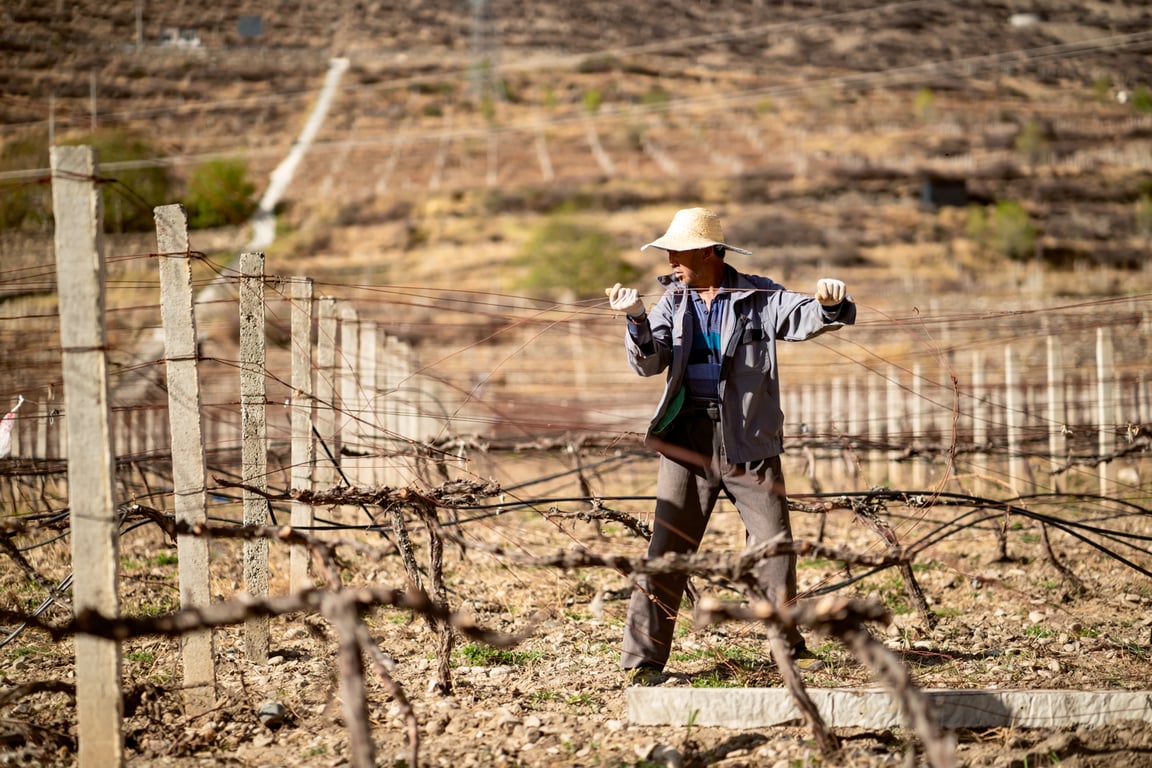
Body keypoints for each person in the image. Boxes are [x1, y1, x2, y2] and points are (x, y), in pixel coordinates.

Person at [605, 207, 856, 685]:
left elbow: (803, 315)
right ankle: (643, 661)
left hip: (750, 439)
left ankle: (786, 645)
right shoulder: (671, 301)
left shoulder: (760, 295)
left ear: (707, 252)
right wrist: (636, 319)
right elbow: (650, 362)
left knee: (775, 546)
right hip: (687, 440)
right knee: (666, 552)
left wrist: (827, 305)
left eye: (677, 253)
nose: (671, 261)